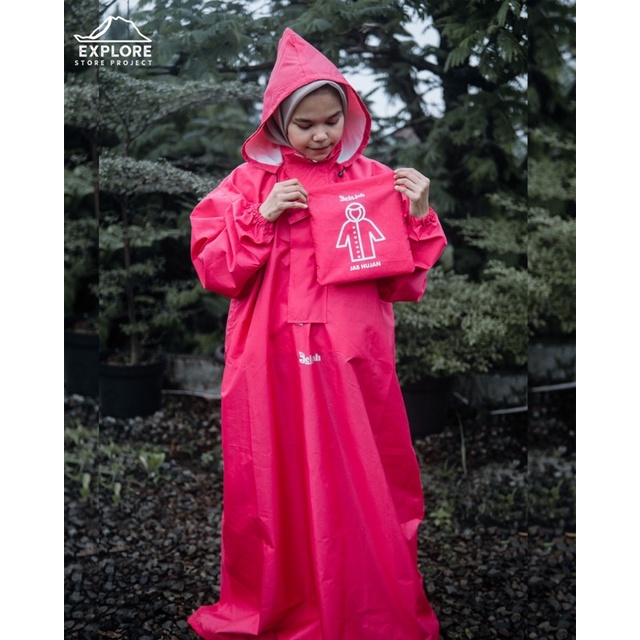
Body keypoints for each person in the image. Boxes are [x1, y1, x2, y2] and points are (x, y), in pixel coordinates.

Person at [188, 27, 447, 640]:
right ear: (278, 124)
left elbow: (401, 284)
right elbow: (216, 270)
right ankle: (285, 599)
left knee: (366, 473)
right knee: (274, 476)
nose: (322, 135)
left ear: (349, 115)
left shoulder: (372, 180)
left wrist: (416, 214)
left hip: (354, 357)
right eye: (305, 124)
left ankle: (364, 605)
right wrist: (262, 216)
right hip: (270, 356)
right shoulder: (247, 185)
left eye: (333, 120)